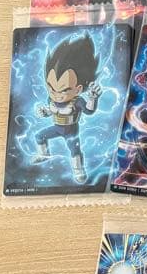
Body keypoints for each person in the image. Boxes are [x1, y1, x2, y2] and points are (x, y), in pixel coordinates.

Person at [35, 33, 101, 184]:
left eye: (63, 90)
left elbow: (89, 111)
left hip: (71, 131)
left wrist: (92, 98)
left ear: (78, 89)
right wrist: (44, 112)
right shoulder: (51, 99)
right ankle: (44, 155)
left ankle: (78, 170)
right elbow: (51, 110)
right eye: (51, 88)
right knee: (39, 136)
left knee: (75, 151)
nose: (56, 95)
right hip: (57, 128)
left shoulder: (77, 101)